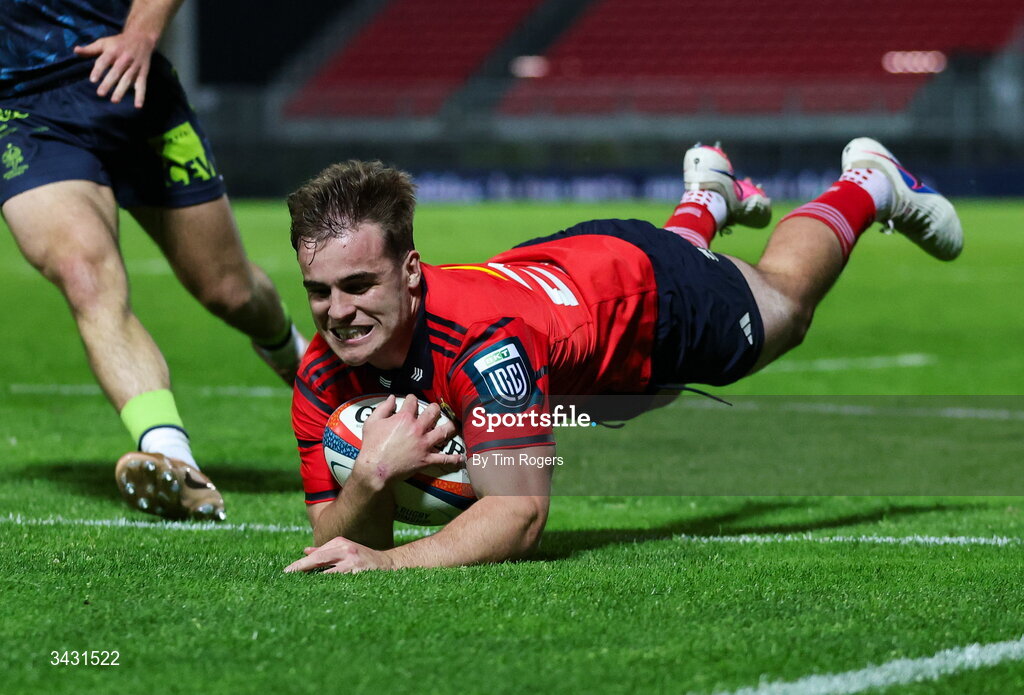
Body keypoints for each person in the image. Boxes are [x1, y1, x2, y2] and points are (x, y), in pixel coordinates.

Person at [282, 138, 962, 574]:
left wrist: (391, 565)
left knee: (785, 307)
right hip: (570, 270)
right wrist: (369, 475)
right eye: (319, 290)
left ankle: (869, 182)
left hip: (648, 297)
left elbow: (518, 515)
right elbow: (330, 530)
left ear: (409, 272)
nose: (337, 311)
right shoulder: (321, 371)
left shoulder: (488, 346)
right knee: (675, 280)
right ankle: (707, 195)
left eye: (358, 284)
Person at [0, 0, 307, 522]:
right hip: (21, 111)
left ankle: (302, 363)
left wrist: (143, 32)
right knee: (84, 274)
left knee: (229, 290)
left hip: (128, 80)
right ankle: (175, 463)